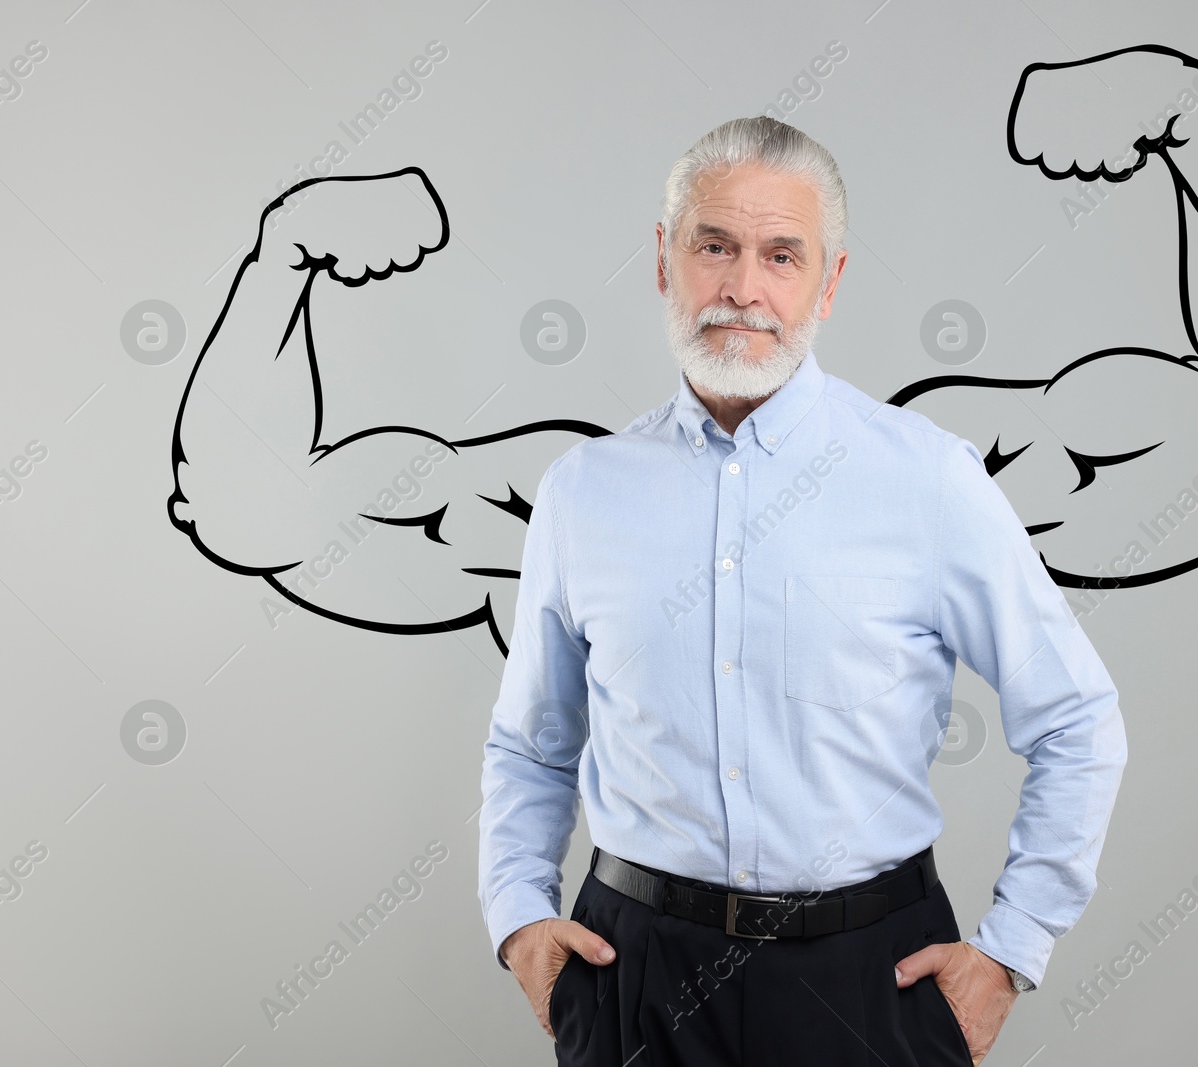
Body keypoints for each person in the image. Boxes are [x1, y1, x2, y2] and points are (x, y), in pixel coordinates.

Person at [480, 115, 1128, 1066]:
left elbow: (1077, 720)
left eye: (782, 255)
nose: (744, 288)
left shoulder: (930, 480)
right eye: (716, 247)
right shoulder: (583, 493)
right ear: (664, 261)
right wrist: (518, 919)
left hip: (873, 980)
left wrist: (1011, 950)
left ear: (829, 282)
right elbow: (530, 745)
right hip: (637, 978)